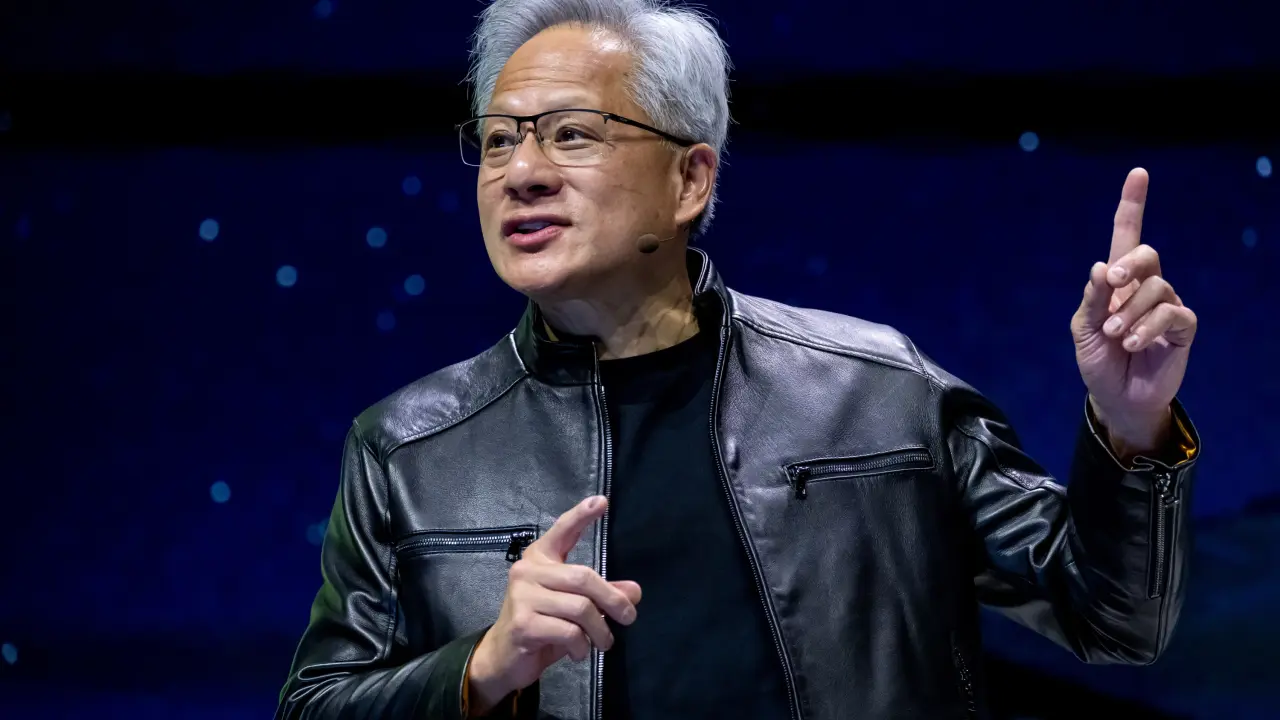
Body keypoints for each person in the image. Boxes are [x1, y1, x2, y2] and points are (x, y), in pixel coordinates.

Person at [275, 0, 1200, 718]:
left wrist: (1132, 427)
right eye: (499, 140)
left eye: (572, 133)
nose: (522, 172)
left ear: (690, 179)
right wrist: (480, 670)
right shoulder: (409, 451)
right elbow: (316, 705)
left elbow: (1114, 619)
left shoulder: (882, 394)